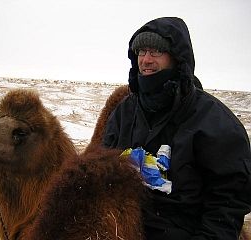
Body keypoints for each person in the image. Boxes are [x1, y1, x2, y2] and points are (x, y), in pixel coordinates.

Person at [102, 17, 251, 239]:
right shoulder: (125, 113)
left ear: (176, 58)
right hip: (125, 227)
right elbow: (104, 168)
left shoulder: (213, 121)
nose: (146, 60)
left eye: (155, 52)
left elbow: (228, 200)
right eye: (141, 52)